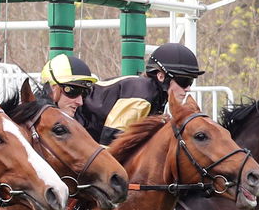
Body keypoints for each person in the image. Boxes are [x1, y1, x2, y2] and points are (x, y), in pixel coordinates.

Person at [62, 42, 205, 144]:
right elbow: (112, 139)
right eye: (184, 81)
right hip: (72, 122)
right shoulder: (143, 95)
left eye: (191, 81)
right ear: (161, 76)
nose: (188, 88)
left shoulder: (155, 95)